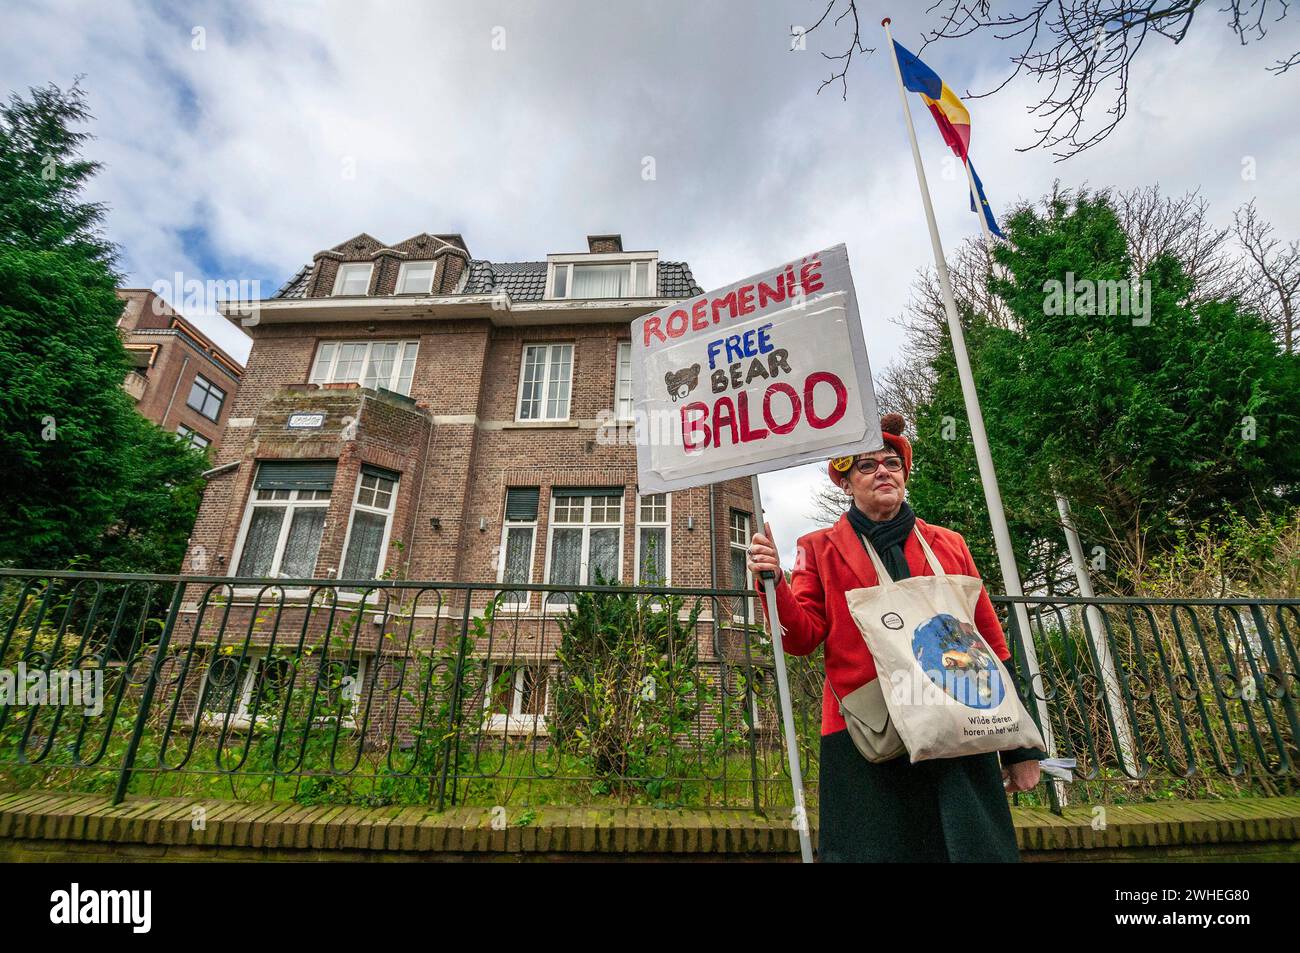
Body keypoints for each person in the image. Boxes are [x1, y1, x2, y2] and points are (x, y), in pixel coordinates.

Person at [746, 413, 1044, 862]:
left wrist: (1020, 748)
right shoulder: (817, 548)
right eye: (866, 465)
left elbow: (989, 643)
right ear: (845, 483)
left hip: (958, 724)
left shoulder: (949, 544)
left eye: (892, 462)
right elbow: (801, 637)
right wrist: (774, 585)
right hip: (868, 734)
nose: (883, 470)